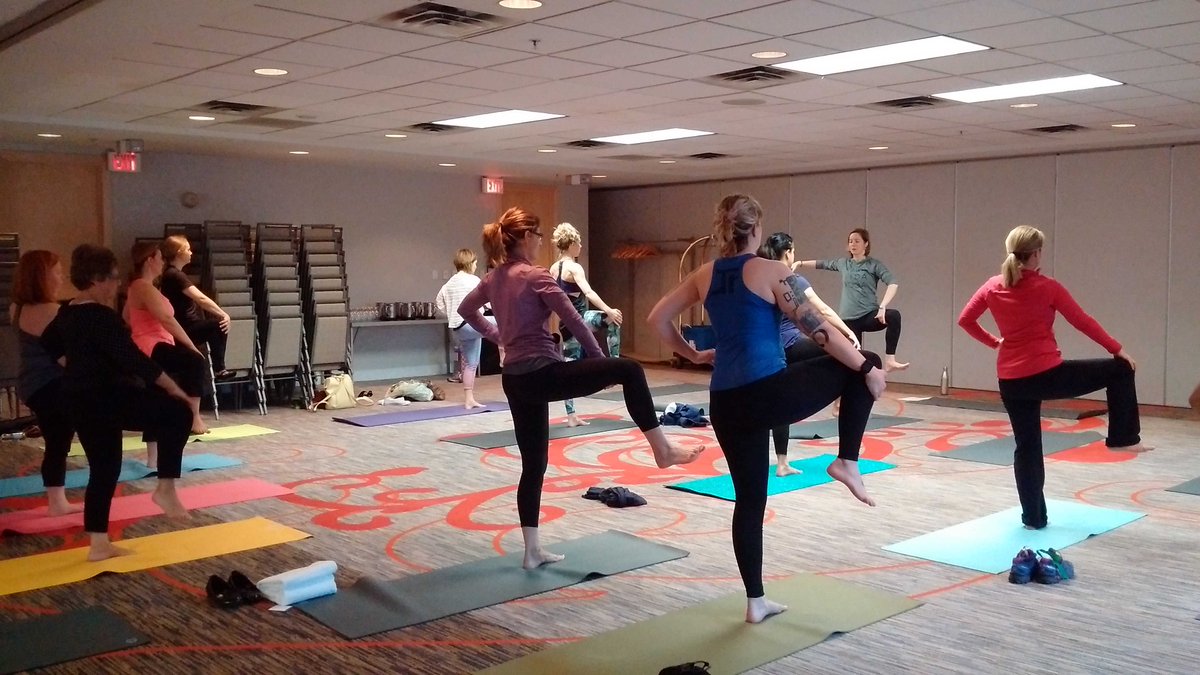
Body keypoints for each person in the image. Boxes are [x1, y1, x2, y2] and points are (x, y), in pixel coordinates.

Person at [649, 195, 886, 624]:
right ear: (756, 230)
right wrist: (867, 364)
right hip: (766, 393)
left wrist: (695, 355)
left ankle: (755, 602)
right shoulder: (773, 271)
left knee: (750, 502)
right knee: (859, 366)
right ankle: (847, 461)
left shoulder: (704, 274)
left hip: (726, 403)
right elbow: (818, 330)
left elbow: (656, 319)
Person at [458, 207, 703, 570]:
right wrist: (596, 360)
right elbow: (573, 318)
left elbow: (467, 310)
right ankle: (662, 450)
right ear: (526, 237)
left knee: (534, 465)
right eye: (538, 234)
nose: (541, 240)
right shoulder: (535, 275)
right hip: (543, 373)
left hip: (516, 381)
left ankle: (531, 551)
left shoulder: (494, 278)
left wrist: (501, 337)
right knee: (630, 370)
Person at [958, 225, 1150, 531]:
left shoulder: (992, 286)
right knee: (1120, 369)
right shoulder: (1048, 287)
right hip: (1047, 374)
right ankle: (1122, 438)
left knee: (1027, 447)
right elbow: (1082, 322)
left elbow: (965, 320)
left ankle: (1033, 519)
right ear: (1035, 253)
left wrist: (995, 343)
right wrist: (1118, 349)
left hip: (1011, 381)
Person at [41, 244, 194, 561]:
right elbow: (135, 360)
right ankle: (165, 489)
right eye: (112, 279)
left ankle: (98, 545)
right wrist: (173, 388)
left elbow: (48, 340)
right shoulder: (100, 317)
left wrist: (75, 364)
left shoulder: (67, 311)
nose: (116, 286)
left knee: (104, 469)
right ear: (97, 280)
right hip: (107, 397)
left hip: (79, 399)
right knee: (178, 412)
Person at [758, 232, 861, 477]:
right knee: (849, 358)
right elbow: (822, 310)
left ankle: (782, 464)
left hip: (770, 352)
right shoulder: (793, 280)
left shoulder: (761, 277)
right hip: (792, 346)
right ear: (789, 252)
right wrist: (848, 333)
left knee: (779, 401)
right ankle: (839, 403)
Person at [8, 250, 78, 515]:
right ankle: (57, 503)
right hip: (49, 384)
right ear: (43, 276)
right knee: (58, 441)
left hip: (31, 382)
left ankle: (56, 500)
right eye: (57, 272)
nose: (61, 277)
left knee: (57, 440)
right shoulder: (51, 311)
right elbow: (64, 358)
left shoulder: (17, 307)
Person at [125, 241, 210, 438]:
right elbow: (166, 319)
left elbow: (127, 317)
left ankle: (153, 458)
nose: (163, 261)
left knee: (158, 394)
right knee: (196, 361)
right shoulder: (144, 287)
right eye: (160, 257)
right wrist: (191, 346)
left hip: (150, 343)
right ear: (149, 260)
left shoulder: (139, 287)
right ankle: (194, 416)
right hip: (151, 345)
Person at [794, 228, 909, 371]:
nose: (853, 244)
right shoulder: (844, 263)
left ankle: (890, 360)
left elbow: (893, 282)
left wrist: (883, 306)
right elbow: (823, 264)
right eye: (850, 241)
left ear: (866, 244)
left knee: (894, 315)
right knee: (854, 362)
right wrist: (800, 263)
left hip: (868, 315)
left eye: (857, 241)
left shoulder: (874, 265)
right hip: (848, 320)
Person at [549, 222, 623, 427]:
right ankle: (613, 370)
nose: (581, 247)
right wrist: (608, 309)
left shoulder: (554, 268)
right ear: (572, 243)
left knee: (568, 368)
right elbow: (588, 292)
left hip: (567, 324)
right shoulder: (574, 267)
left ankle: (571, 416)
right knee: (613, 319)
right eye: (579, 243)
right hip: (582, 320)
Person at [159, 235, 234, 379]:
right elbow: (201, 299)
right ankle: (220, 368)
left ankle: (219, 368)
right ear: (179, 253)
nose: (191, 252)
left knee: (215, 327)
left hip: (185, 325)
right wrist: (224, 314)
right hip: (185, 327)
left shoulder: (172, 274)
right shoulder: (175, 275)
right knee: (218, 325)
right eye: (187, 249)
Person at [434, 248, 494, 409]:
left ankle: (469, 399)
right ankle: (504, 352)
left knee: (471, 363)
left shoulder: (449, 283)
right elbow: (488, 302)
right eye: (475, 262)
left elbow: (439, 303)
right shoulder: (473, 280)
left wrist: (450, 313)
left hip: (458, 328)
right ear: (470, 263)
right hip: (472, 324)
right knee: (503, 322)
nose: (476, 265)